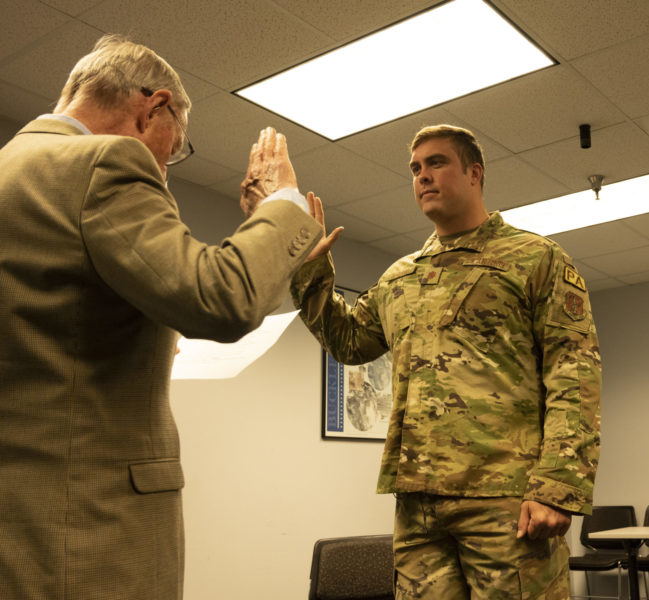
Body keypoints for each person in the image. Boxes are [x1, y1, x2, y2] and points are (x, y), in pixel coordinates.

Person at [0, 35, 323, 600]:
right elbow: (221, 300)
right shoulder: (103, 161)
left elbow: (47, 331)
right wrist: (282, 207)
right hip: (89, 529)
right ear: (154, 109)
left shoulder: (12, 169)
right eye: (174, 150)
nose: (167, 169)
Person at [289, 124, 602, 599]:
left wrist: (557, 485)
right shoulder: (400, 277)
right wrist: (310, 270)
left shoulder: (534, 258)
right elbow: (350, 342)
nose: (423, 176)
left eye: (436, 163)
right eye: (415, 169)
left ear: (474, 173)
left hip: (505, 499)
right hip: (418, 505)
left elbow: (574, 373)